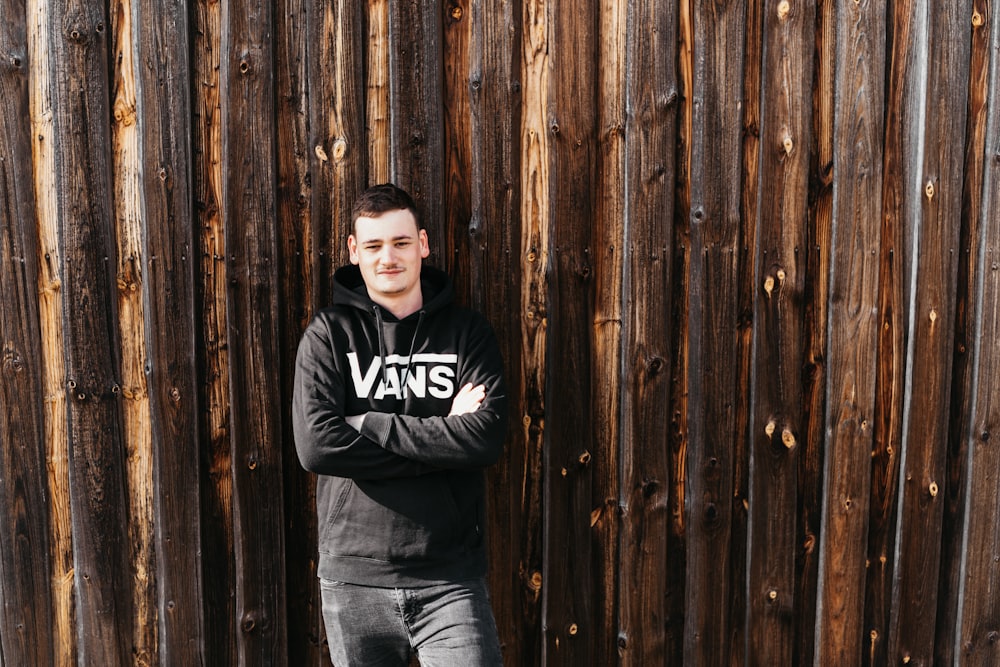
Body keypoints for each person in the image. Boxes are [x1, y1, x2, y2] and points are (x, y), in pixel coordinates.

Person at [292, 183, 507, 666]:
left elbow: (483, 439)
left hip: (450, 577)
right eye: (373, 245)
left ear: (423, 244)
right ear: (355, 250)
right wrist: (442, 434)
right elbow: (318, 447)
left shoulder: (467, 334)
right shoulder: (328, 336)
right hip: (354, 576)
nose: (388, 257)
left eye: (401, 242)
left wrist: (368, 423)